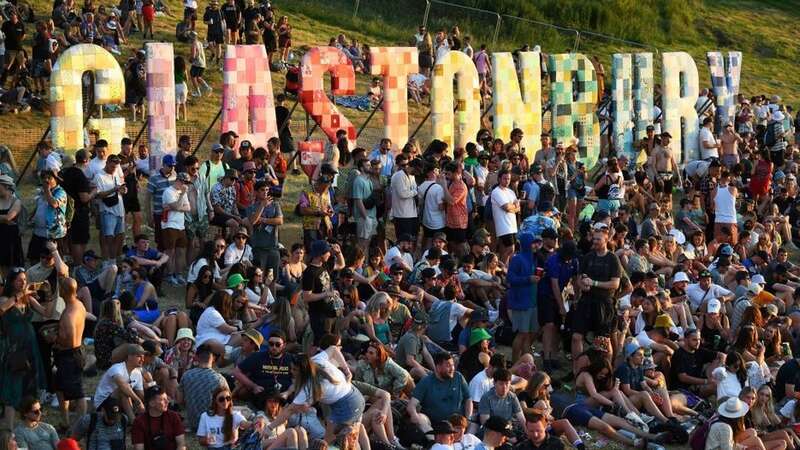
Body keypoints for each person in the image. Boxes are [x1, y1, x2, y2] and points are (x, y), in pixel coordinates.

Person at [571, 227, 621, 365]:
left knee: (602, 341)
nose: (595, 241)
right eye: (594, 238)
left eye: (598, 239)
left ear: (606, 240)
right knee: (576, 337)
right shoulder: (588, 257)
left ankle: (605, 370)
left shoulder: (612, 258)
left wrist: (594, 283)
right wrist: (583, 285)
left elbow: (615, 284)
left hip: (604, 303)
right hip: (586, 300)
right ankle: (578, 369)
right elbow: (579, 279)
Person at [53, 278, 87, 430]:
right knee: (60, 389)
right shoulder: (79, 304)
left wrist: (55, 338)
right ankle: (65, 421)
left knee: (78, 393)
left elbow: (71, 342)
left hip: (70, 355)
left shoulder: (68, 314)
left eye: (60, 287)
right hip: (73, 353)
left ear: (64, 291)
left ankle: (80, 426)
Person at [408, 352, 471, 430]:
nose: (452, 369)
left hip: (458, 423)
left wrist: (468, 418)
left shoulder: (458, 377)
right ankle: (433, 441)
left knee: (474, 422)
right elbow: (411, 405)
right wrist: (414, 415)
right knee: (420, 418)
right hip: (435, 425)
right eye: (448, 365)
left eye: (453, 365)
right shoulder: (426, 382)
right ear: (438, 367)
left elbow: (468, 399)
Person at [178, 343, 228, 432]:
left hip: (193, 423)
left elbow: (179, 400)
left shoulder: (186, 375)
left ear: (196, 357)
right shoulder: (219, 379)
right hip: (211, 423)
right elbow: (227, 405)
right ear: (213, 359)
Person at [507, 232, 541, 362]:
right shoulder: (517, 258)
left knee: (529, 334)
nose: (535, 245)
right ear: (527, 243)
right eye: (533, 243)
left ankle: (526, 363)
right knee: (522, 334)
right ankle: (515, 362)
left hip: (532, 302)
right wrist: (528, 279)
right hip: (521, 302)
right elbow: (510, 278)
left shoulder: (533, 258)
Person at [93, 344, 146, 422]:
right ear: (129, 356)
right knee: (123, 391)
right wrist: (138, 401)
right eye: (139, 356)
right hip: (103, 404)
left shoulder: (137, 373)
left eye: (143, 357)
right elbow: (123, 386)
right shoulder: (117, 368)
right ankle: (134, 422)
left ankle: (138, 420)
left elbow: (141, 395)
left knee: (137, 396)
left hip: (119, 403)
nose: (142, 360)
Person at [93, 155, 127, 261]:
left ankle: (117, 260)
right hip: (107, 211)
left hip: (120, 210)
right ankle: (108, 262)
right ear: (107, 163)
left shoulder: (116, 174)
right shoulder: (99, 176)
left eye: (116, 167)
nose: (114, 169)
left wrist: (123, 190)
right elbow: (98, 195)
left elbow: (121, 188)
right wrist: (113, 190)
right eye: (112, 167)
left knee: (120, 236)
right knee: (109, 238)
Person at [160, 172, 191, 285]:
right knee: (170, 251)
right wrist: (181, 196)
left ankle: (178, 274)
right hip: (169, 224)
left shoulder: (183, 192)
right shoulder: (168, 192)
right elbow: (177, 206)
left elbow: (188, 208)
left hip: (180, 225)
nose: (186, 185)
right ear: (180, 181)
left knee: (180, 251)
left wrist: (174, 207)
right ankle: (170, 274)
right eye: (185, 182)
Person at [490, 169, 520, 265]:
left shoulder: (511, 192)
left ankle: (504, 270)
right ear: (499, 179)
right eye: (505, 179)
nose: (507, 181)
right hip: (503, 226)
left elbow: (518, 208)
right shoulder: (496, 192)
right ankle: (503, 270)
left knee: (506, 251)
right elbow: (506, 207)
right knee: (510, 249)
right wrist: (513, 207)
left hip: (512, 225)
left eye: (508, 179)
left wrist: (513, 207)